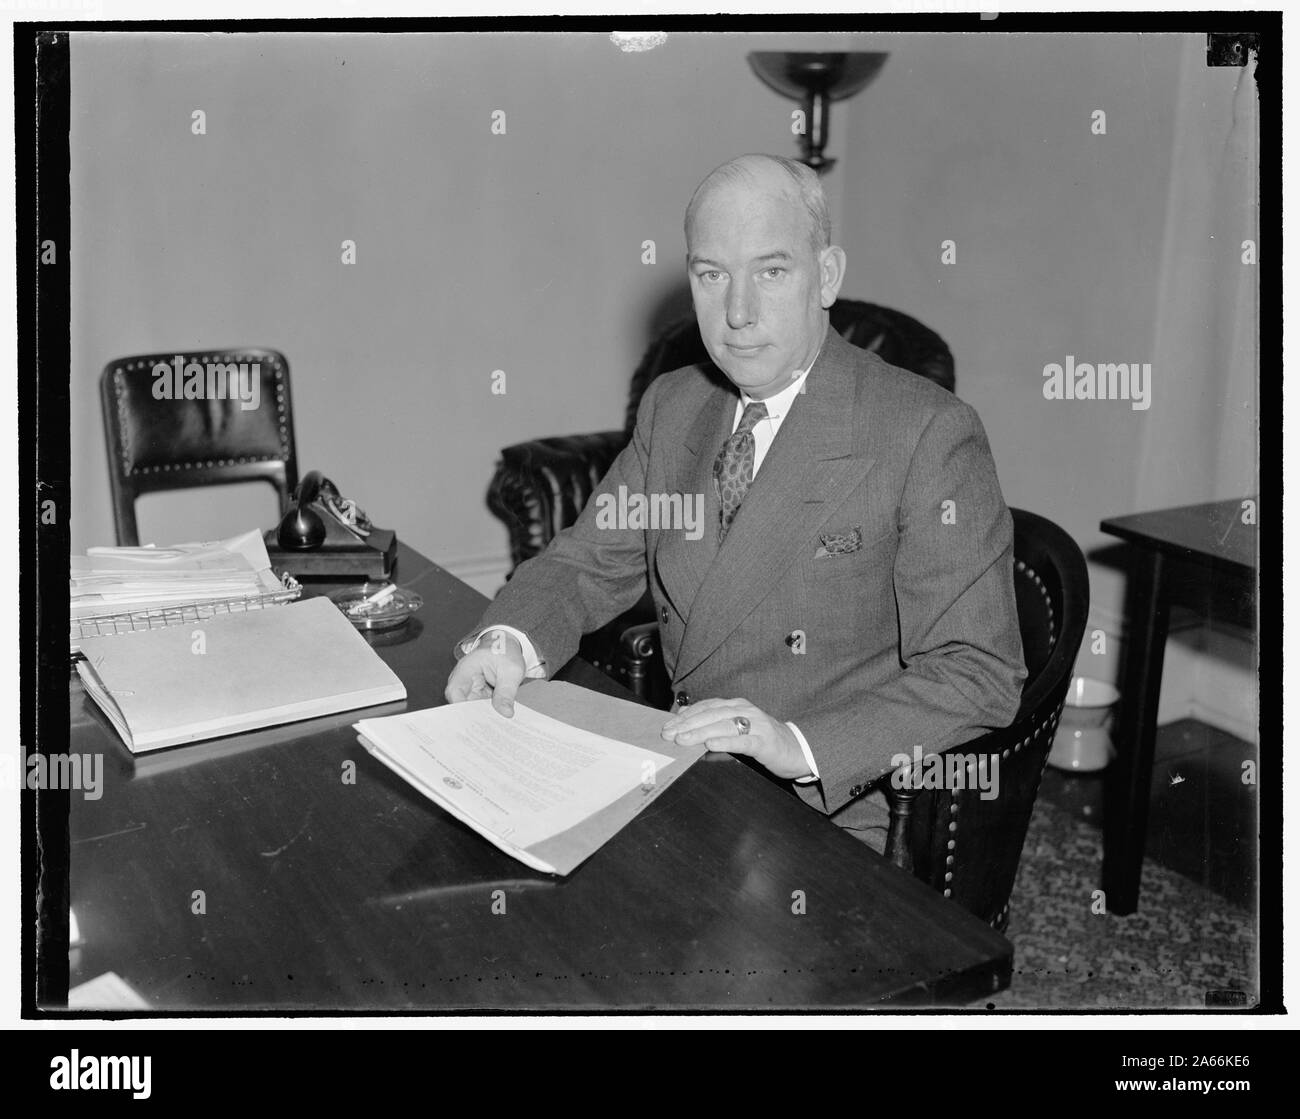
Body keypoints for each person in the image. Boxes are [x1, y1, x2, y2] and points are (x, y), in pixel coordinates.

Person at [446, 153, 1026, 849]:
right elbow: (588, 562)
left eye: (772, 272)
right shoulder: (677, 406)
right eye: (712, 275)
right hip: (679, 769)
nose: (739, 313)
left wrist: (796, 744)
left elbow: (978, 672)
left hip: (829, 812)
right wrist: (507, 641)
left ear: (828, 276)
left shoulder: (925, 432)